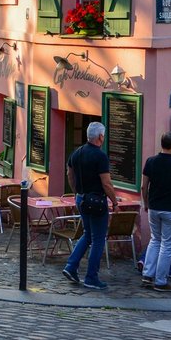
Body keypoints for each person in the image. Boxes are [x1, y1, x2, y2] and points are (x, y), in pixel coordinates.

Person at [63, 121, 120, 290]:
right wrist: (115, 202)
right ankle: (91, 277)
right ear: (101, 137)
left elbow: (70, 174)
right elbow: (106, 183)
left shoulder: (77, 152)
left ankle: (71, 266)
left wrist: (76, 192)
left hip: (82, 199)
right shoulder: (100, 156)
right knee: (98, 239)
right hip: (96, 202)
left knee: (88, 234)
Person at [139, 132, 171, 292]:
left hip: (154, 207)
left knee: (155, 240)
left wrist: (146, 203)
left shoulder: (151, 161)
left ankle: (147, 275)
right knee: (167, 245)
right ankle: (161, 281)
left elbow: (143, 186)